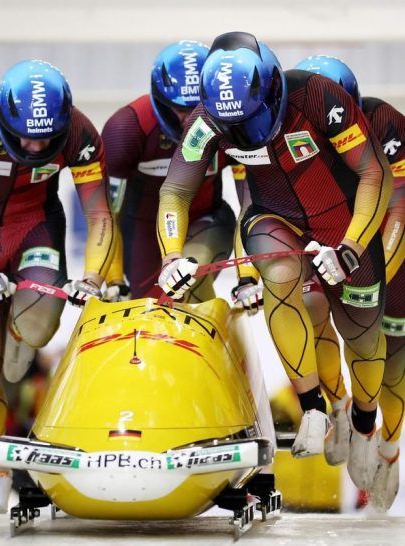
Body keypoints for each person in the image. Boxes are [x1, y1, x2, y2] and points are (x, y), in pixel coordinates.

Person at [156, 32, 392, 493]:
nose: (247, 130)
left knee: (363, 338)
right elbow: (176, 191)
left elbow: (373, 173)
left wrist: (351, 246)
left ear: (273, 89)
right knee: (279, 277)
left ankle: (365, 423)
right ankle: (316, 408)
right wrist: (171, 255)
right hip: (273, 215)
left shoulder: (317, 96)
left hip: (343, 220)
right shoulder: (205, 121)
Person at [0, 59, 115, 513]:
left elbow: (99, 214)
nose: (35, 146)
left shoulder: (79, 132)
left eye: (46, 138)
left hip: (36, 229)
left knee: (39, 326)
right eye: (26, 136)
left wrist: (93, 276)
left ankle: (20, 329)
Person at [295, 54, 405, 510]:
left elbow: (398, 209)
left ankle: (388, 446)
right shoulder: (290, 128)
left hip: (383, 245)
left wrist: (373, 275)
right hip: (328, 241)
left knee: (392, 356)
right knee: (308, 307)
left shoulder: (387, 125)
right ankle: (340, 405)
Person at [101, 40, 239, 302]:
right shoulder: (126, 128)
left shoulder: (233, 122)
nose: (192, 119)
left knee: (189, 278)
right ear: (162, 103)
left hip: (205, 221)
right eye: (182, 110)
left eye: (199, 107)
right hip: (143, 230)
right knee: (153, 303)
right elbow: (107, 214)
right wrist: (115, 278)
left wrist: (247, 278)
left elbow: (251, 201)